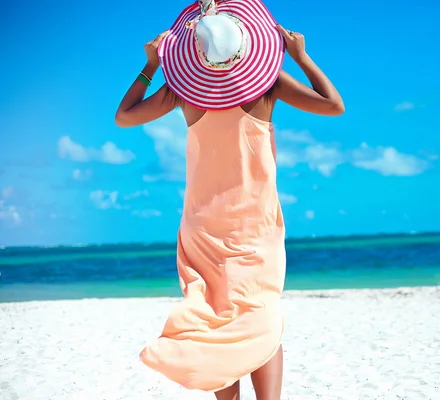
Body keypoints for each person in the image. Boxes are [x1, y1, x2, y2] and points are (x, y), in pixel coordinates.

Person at [115, 1, 343, 399]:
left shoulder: (180, 92)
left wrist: (150, 65)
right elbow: (333, 105)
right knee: (260, 314)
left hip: (203, 223)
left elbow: (124, 116)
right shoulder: (269, 82)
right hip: (255, 222)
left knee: (219, 320)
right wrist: (301, 57)